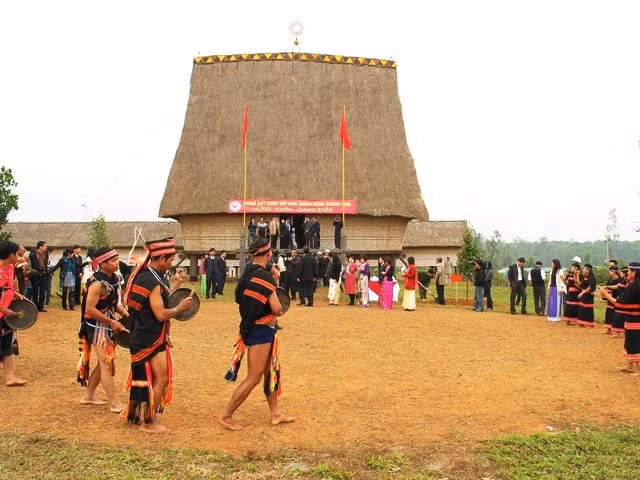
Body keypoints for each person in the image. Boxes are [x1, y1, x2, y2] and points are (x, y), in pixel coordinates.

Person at [219, 236, 294, 430]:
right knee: (254, 377)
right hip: (260, 331)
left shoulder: (248, 273)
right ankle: (227, 415)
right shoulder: (264, 277)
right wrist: (273, 282)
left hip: (258, 329)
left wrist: (273, 280)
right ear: (268, 254)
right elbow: (277, 308)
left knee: (270, 371)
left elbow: (240, 298)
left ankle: (275, 414)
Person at [122, 238, 192, 434]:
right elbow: (160, 313)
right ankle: (149, 422)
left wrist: (176, 284)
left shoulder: (145, 275)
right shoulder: (152, 281)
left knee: (148, 378)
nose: (171, 263)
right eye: (170, 260)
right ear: (161, 259)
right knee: (161, 378)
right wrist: (179, 308)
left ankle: (134, 412)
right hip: (150, 337)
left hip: (141, 334)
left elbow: (160, 298)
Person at [77, 246, 128, 412]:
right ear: (102, 263)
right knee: (106, 364)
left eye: (117, 259)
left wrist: (124, 313)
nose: (117, 263)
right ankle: (115, 403)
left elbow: (114, 303)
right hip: (96, 327)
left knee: (103, 363)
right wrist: (111, 322)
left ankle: (88, 396)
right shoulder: (97, 284)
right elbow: (90, 309)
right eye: (113, 260)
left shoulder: (114, 279)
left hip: (106, 325)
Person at [599, 262, 640, 374]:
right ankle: (630, 365)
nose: (627, 273)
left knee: (635, 342)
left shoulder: (634, 286)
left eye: (629, 271)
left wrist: (606, 295)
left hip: (636, 320)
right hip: (631, 319)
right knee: (630, 342)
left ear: (634, 272)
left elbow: (621, 303)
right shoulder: (633, 284)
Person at [0, 240, 28, 386]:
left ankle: (10, 377)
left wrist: (16, 294)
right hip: (3, 312)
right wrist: (4, 310)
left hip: (5, 316)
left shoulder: (10, 268)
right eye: (17, 253)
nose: (19, 256)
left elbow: (8, 288)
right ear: (10, 255)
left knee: (7, 344)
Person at [29, 240, 49, 312]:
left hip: (43, 275)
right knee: (35, 291)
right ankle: (35, 306)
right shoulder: (32, 255)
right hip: (35, 275)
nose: (46, 248)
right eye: (45, 246)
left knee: (43, 291)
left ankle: (41, 306)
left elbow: (46, 264)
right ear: (40, 247)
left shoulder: (45, 254)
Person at [576, 263, 596, 327]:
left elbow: (590, 287)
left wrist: (582, 293)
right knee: (581, 308)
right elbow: (579, 284)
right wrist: (577, 275)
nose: (583, 270)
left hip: (588, 295)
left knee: (588, 309)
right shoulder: (585, 276)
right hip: (584, 294)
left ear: (588, 269)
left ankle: (590, 323)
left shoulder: (591, 277)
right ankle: (581, 323)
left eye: (584, 268)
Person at [602, 266, 621, 334]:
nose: (609, 272)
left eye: (610, 271)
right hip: (609, 298)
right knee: (609, 313)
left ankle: (617, 331)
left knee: (615, 314)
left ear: (614, 272)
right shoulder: (610, 280)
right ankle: (609, 329)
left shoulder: (619, 280)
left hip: (615, 298)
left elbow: (617, 287)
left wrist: (606, 287)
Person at [611, 267, 629, 336]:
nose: (620, 273)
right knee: (618, 315)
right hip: (619, 299)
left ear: (624, 273)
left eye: (621, 272)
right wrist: (606, 287)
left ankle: (622, 331)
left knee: (621, 316)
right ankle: (618, 332)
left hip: (623, 300)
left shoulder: (627, 281)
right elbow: (616, 286)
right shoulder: (622, 280)